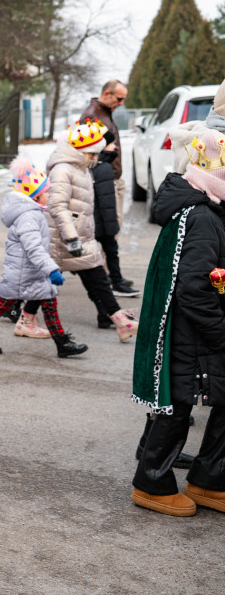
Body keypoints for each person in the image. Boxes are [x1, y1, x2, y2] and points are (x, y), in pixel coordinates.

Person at [130, 128, 225, 517]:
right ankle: (151, 482)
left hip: (198, 329)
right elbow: (194, 286)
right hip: (191, 332)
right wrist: (220, 331)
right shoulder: (202, 214)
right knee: (177, 404)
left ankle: (208, 480)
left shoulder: (206, 206)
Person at [0, 157, 87, 358]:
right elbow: (33, 248)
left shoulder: (32, 212)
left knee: (50, 302)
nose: (49, 195)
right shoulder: (28, 217)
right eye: (46, 192)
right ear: (34, 196)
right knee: (3, 303)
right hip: (22, 272)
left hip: (31, 271)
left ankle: (62, 343)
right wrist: (51, 269)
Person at [46, 120, 138, 341]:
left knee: (97, 277)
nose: (96, 158)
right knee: (40, 286)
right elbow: (57, 207)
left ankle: (117, 320)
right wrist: (72, 238)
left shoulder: (83, 169)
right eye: (93, 154)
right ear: (83, 151)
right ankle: (20, 315)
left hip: (82, 237)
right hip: (66, 238)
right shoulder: (63, 170)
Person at [80, 80, 138, 296]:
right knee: (108, 231)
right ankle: (109, 280)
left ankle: (110, 277)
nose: (121, 103)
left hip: (112, 179)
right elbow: (86, 153)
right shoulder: (92, 115)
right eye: (119, 98)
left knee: (111, 230)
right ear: (107, 93)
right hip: (104, 182)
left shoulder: (103, 112)